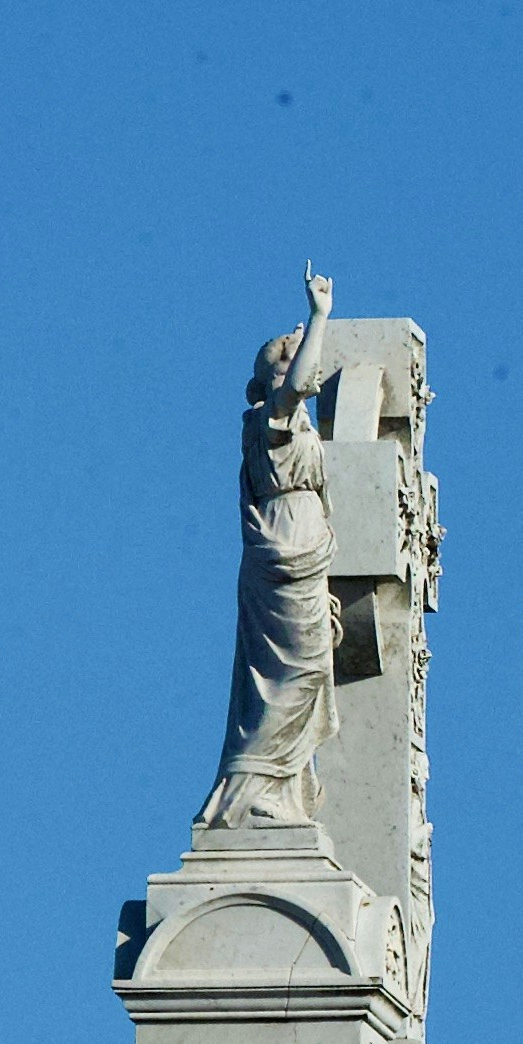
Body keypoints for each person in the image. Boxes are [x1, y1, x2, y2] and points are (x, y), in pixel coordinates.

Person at [198, 267, 343, 828]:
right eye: (287, 352)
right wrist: (320, 316)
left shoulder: (300, 428)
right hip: (280, 560)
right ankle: (250, 793)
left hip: (307, 563)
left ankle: (280, 792)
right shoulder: (268, 421)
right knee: (290, 678)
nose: (299, 353)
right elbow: (298, 385)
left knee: (306, 679)